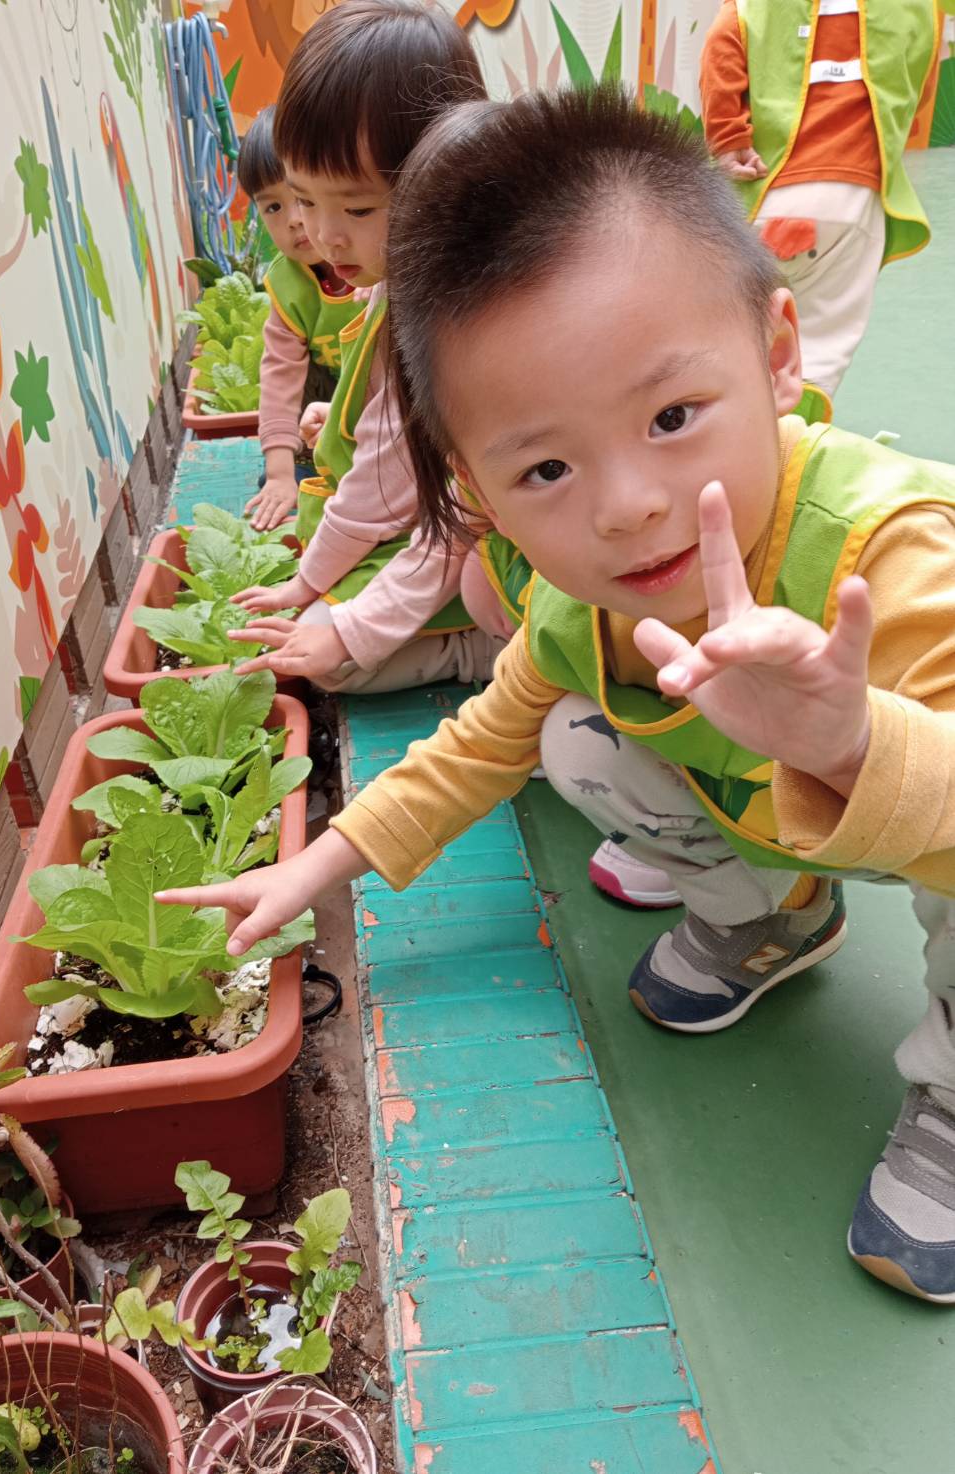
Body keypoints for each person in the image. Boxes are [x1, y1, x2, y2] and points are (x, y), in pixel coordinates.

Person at [161, 86, 955, 1301]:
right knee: (573, 740)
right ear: (475, 488)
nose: (626, 506)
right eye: (545, 467)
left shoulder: (889, 555)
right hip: (782, 808)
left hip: (929, 813)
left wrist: (852, 743)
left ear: (779, 355)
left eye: (673, 416)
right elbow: (476, 746)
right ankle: (774, 916)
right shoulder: (584, 605)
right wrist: (309, 868)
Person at [226, 0, 503, 696]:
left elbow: (389, 493)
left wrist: (314, 591)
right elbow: (386, 447)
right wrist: (340, 423)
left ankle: (485, 653)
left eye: (355, 208)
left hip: (481, 548)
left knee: (334, 663)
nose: (322, 235)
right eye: (301, 199)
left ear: (448, 181)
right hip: (439, 527)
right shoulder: (399, 278)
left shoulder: (447, 324)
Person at [699, 0, 944, 398]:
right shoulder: (917, 7)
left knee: (734, 343)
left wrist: (729, 137)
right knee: (813, 362)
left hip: (768, 198)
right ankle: (792, 431)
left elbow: (721, 44)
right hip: (851, 201)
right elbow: (919, 91)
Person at [236, 108, 363, 532]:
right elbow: (279, 377)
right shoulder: (288, 284)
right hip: (327, 401)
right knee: (291, 477)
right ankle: (308, 465)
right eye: (273, 206)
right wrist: (279, 473)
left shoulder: (375, 257)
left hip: (387, 395)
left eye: (302, 199)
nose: (293, 220)